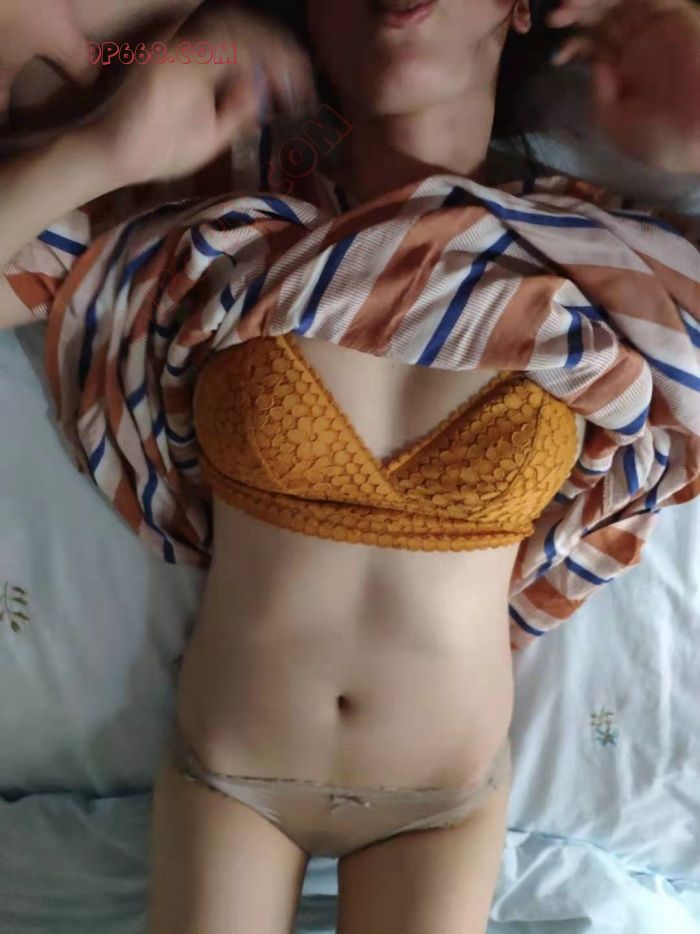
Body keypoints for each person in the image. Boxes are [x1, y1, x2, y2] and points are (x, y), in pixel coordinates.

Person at [1, 2, 699, 933]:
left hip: (440, 806)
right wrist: (102, 147)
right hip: (231, 778)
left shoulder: (606, 258)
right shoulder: (226, 220)